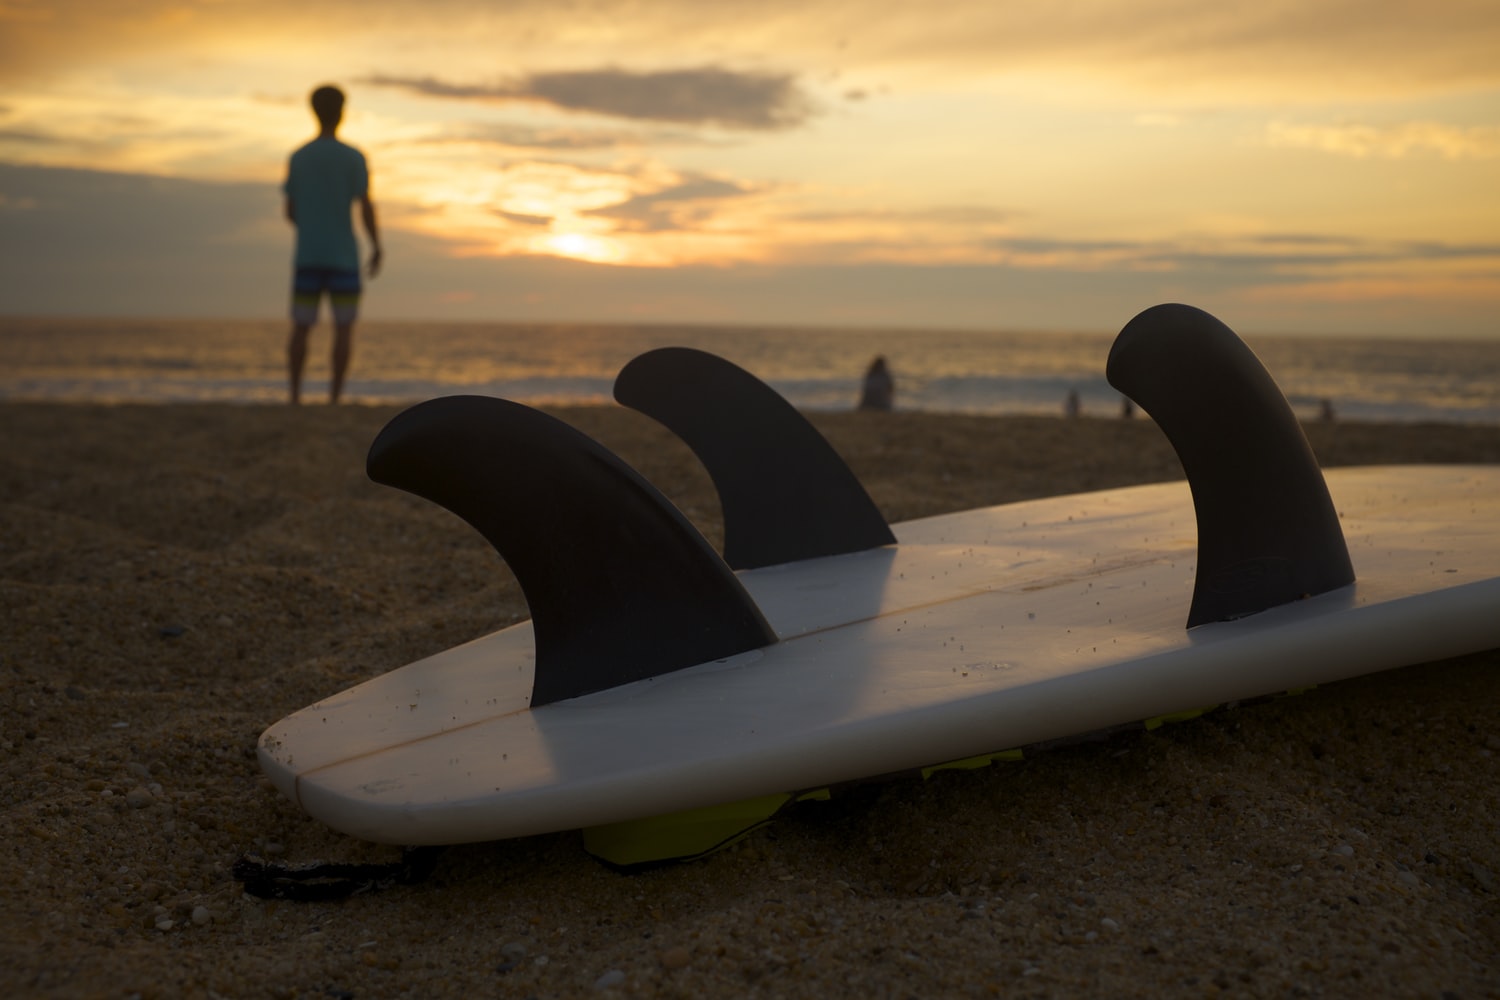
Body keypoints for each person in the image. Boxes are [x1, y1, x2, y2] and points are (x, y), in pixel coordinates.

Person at [283, 84, 382, 404]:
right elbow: (365, 205)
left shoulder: (299, 156)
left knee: (301, 327)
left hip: (308, 255)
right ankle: (334, 399)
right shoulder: (353, 157)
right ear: (341, 112)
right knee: (343, 329)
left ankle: (295, 397)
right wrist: (376, 245)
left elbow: (290, 210)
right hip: (344, 257)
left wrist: (312, 226)